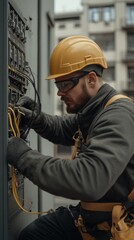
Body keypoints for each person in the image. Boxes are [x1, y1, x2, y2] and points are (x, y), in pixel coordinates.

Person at [7, 35, 134, 240]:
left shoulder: (118, 115)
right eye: (57, 85)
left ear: (91, 79)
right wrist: (36, 119)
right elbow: (66, 128)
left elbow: (87, 179)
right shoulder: (95, 110)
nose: (59, 93)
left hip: (113, 227)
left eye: (65, 85)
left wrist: (21, 156)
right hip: (92, 220)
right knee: (33, 235)